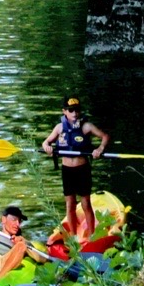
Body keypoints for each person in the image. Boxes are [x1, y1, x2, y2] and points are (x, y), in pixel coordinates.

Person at [40, 95, 109, 239]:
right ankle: (73, 236)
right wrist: (47, 147)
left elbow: (105, 136)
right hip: (67, 171)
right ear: (64, 111)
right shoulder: (59, 128)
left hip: (82, 170)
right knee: (70, 204)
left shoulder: (86, 127)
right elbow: (45, 142)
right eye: (70, 110)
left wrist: (100, 149)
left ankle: (91, 236)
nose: (74, 113)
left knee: (85, 203)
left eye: (77, 110)